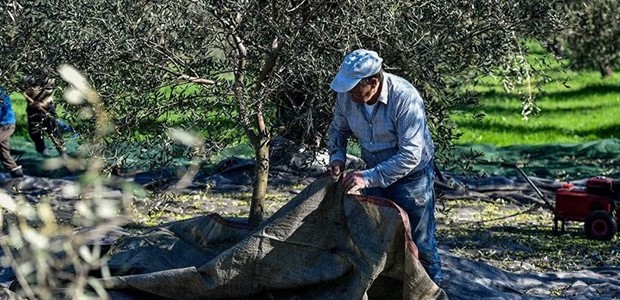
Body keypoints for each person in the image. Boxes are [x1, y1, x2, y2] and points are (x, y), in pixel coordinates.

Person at [326, 49, 443, 284]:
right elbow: (338, 129)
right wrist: (336, 157)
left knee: (420, 244)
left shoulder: (405, 98)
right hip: (373, 172)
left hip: (412, 179)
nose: (349, 93)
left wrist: (368, 178)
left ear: (373, 82)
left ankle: (432, 291)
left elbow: (411, 155)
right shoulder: (347, 97)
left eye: (354, 87)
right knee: (378, 239)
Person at [22, 75, 67, 158]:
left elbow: (49, 88)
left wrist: (39, 102)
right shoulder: (26, 70)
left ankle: (63, 154)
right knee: (35, 133)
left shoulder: (45, 71)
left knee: (53, 131)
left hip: (46, 107)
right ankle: (43, 154)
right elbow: (22, 88)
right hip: (32, 109)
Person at [0, 86, 24, 178]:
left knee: (4, 152)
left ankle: (15, 153)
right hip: (6, 123)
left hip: (5, 125)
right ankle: (18, 177)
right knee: (4, 153)